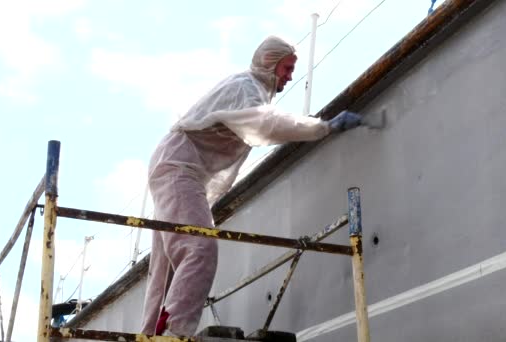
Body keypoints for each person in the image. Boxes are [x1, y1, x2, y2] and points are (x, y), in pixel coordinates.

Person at [142, 35, 362, 337]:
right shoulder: (247, 89)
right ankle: (175, 333)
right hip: (180, 169)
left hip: (174, 166)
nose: (289, 76)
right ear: (269, 64)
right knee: (199, 247)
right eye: (286, 68)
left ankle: (150, 334)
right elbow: (265, 124)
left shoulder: (247, 89)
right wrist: (323, 127)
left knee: (168, 264)